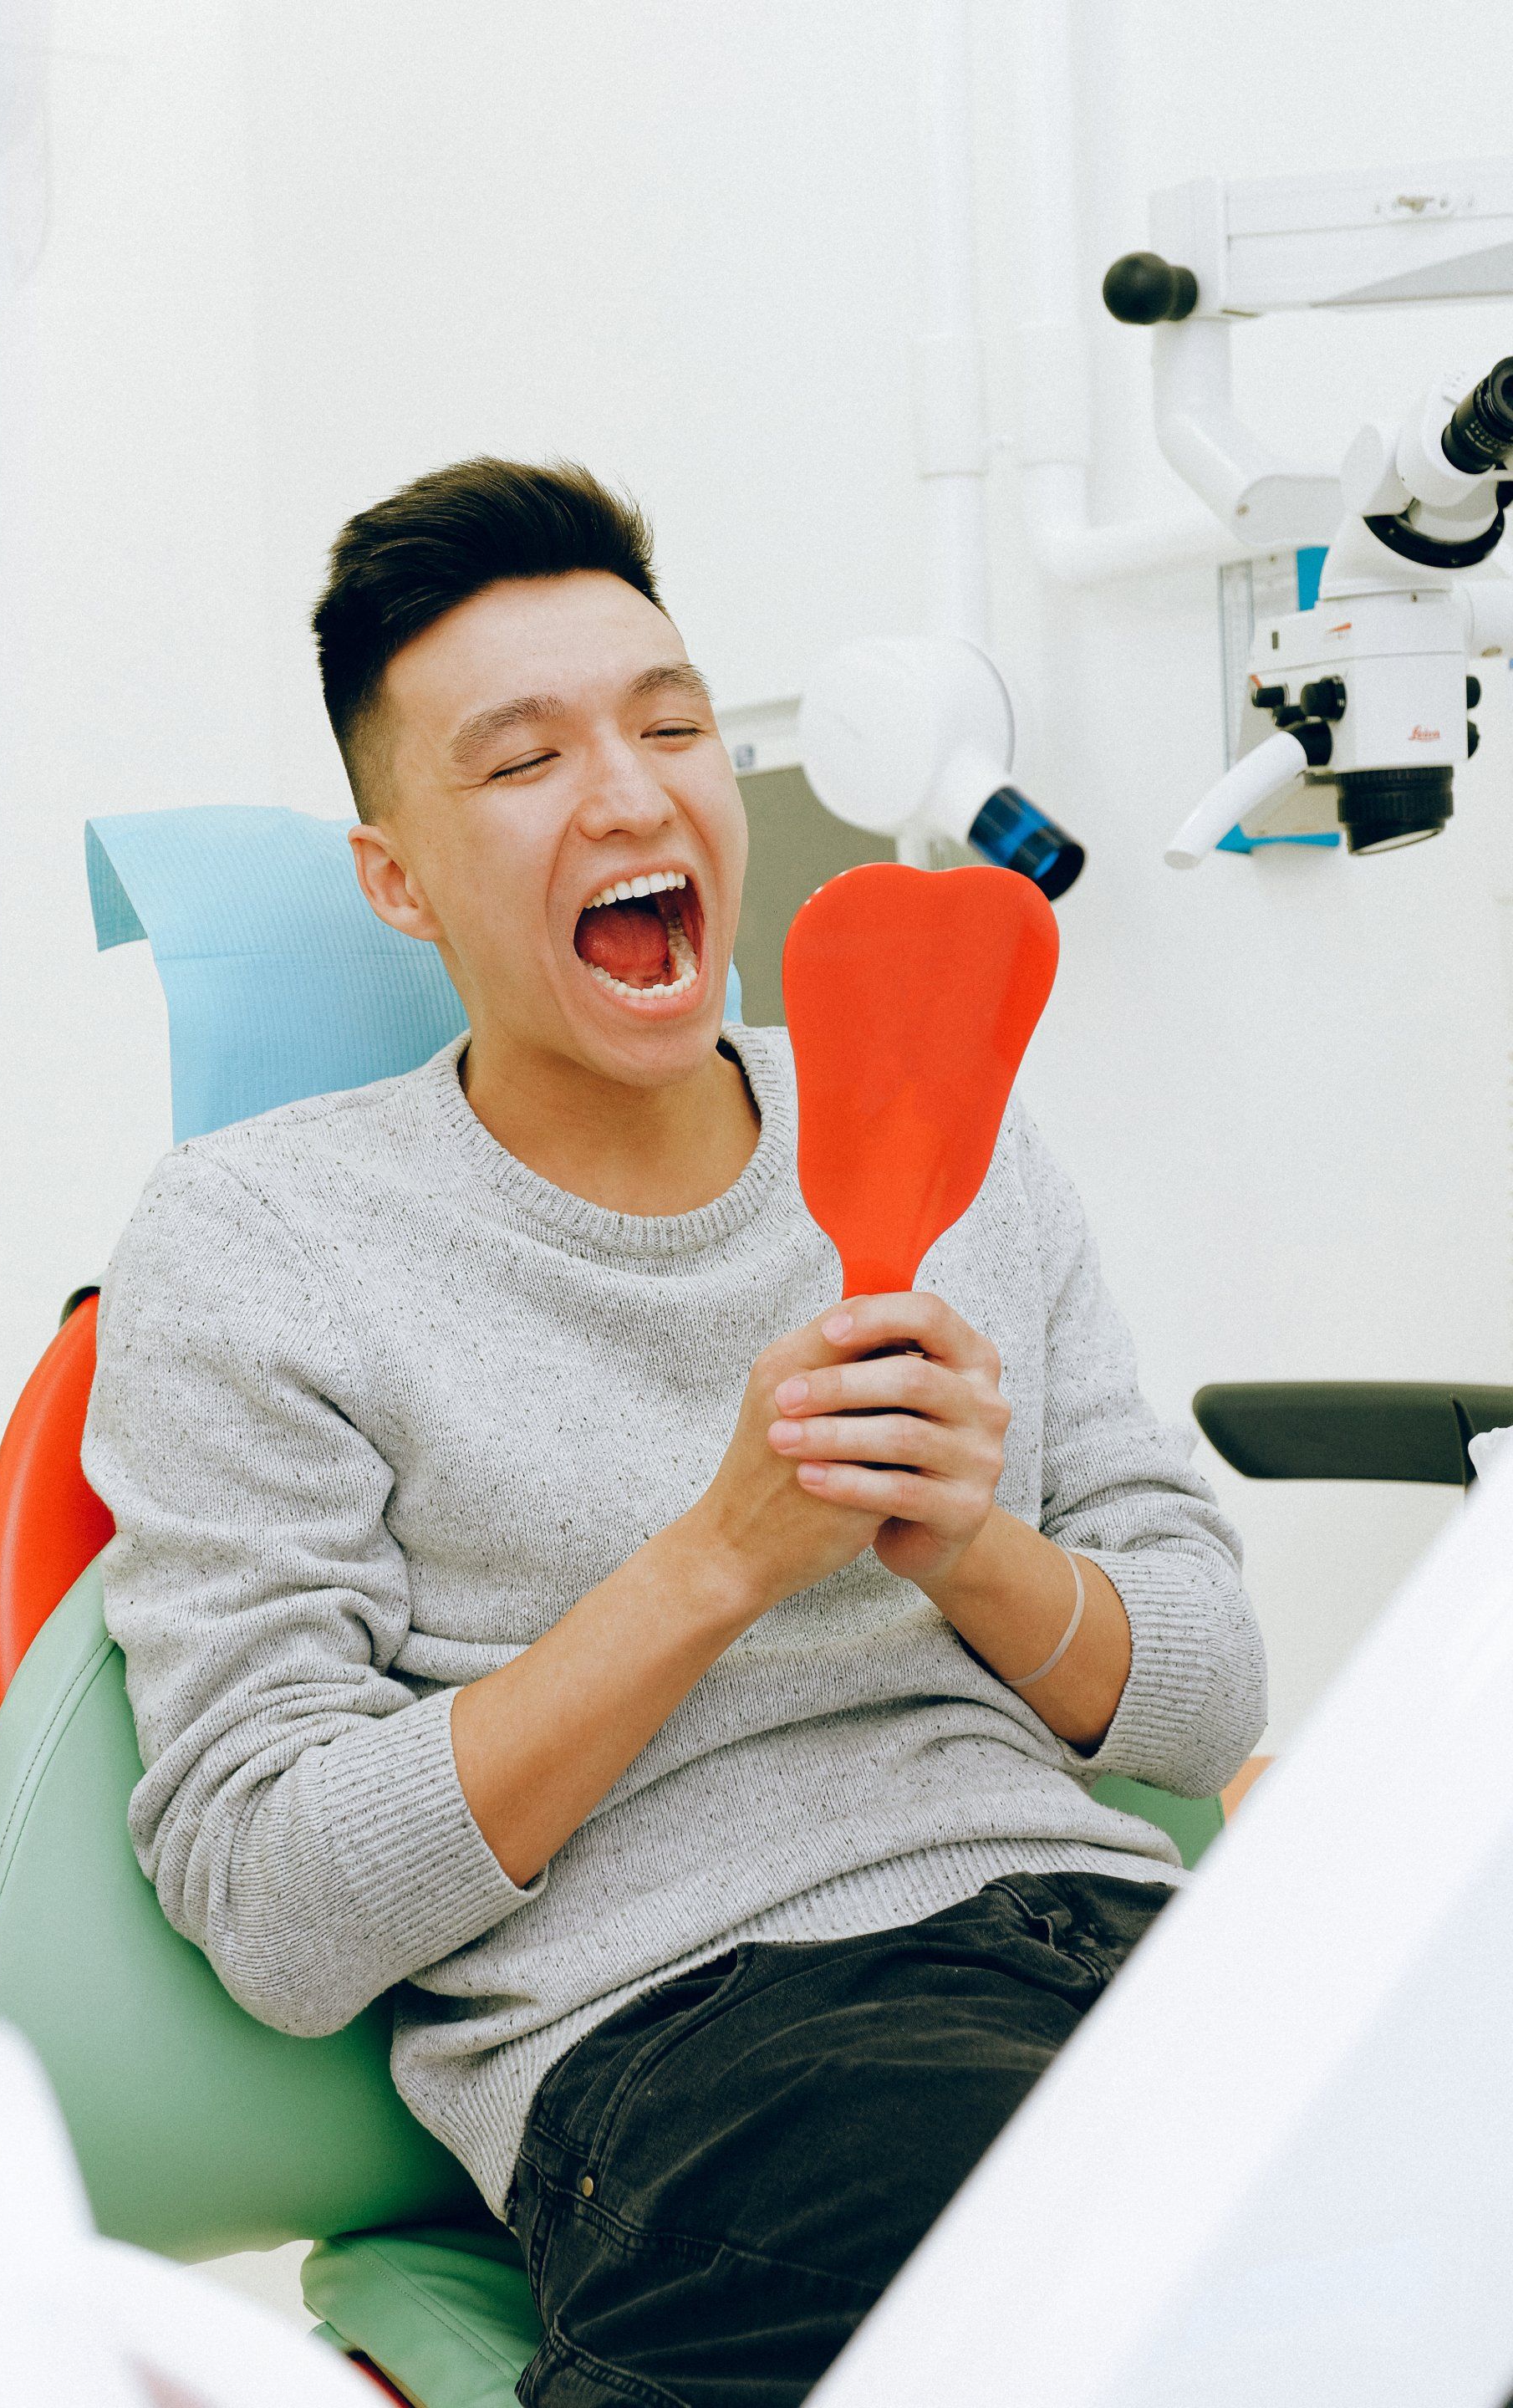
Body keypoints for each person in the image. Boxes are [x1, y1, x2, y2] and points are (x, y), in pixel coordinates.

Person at [84, 457, 1266, 2408]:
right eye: (525, 760)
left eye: (672, 724)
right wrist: (717, 1563)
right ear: (396, 877)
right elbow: (279, 1907)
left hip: (1112, 1945)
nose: (631, 795)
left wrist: (975, 1546)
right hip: (707, 2041)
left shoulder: (946, 1132)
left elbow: (1203, 1693)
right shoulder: (261, 1240)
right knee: (1106, 2266)